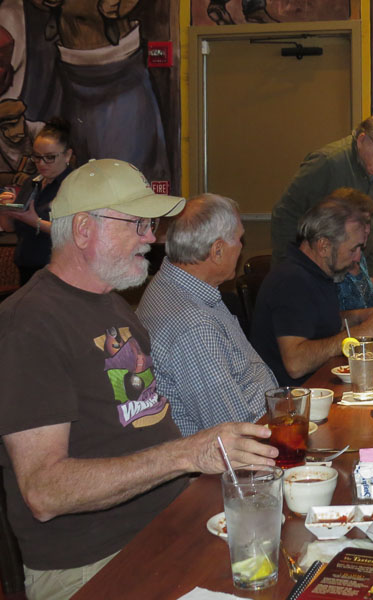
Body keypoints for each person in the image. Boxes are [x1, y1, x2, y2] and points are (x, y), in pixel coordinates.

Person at [0, 159, 278, 600]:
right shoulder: (29, 324)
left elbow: (143, 426)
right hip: (92, 564)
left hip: (168, 524)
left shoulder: (114, 307)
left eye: (151, 225)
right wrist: (187, 454)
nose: (153, 238)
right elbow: (43, 491)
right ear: (85, 230)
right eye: (138, 224)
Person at [137, 194, 279, 436]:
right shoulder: (193, 325)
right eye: (239, 239)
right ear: (218, 251)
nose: (242, 246)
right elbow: (233, 434)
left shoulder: (177, 284)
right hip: (237, 458)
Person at [252, 193, 373, 385]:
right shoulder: (291, 281)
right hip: (296, 401)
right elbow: (296, 363)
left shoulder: (317, 271)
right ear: (323, 246)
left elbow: (319, 322)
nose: (357, 258)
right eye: (352, 249)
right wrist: (363, 331)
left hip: (319, 384)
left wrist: (363, 316)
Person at [270, 114, 373, 278]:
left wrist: (371, 274)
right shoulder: (327, 162)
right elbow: (285, 215)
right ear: (362, 140)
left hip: (356, 274)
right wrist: (293, 269)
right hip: (313, 273)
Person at [0, 117, 72, 284]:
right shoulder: (32, 182)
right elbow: (11, 227)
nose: (41, 163)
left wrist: (36, 222)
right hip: (26, 264)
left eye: (50, 157)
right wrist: (5, 210)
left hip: (57, 270)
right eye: (36, 157)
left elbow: (74, 232)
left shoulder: (74, 185)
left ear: (67, 155)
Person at [332, 187, 373, 310]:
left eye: (368, 222)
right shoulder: (330, 263)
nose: (367, 230)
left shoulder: (360, 257)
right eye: (360, 223)